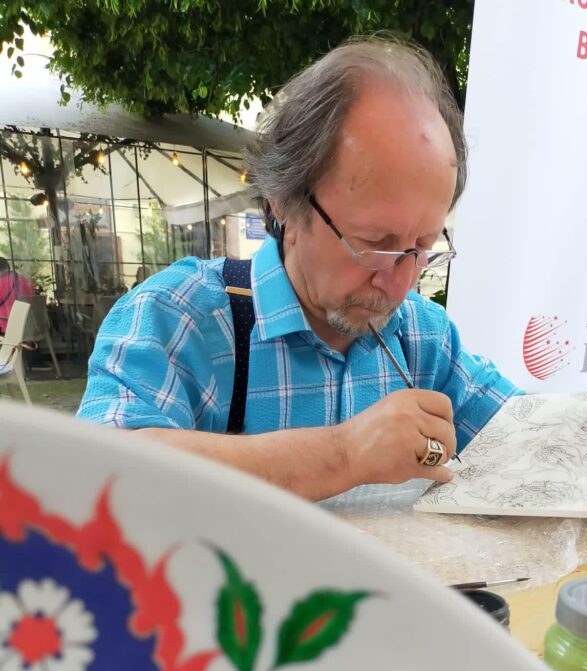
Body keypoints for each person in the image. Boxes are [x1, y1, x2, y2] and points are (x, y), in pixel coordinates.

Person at [77, 37, 523, 500]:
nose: (399, 285)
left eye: (422, 247)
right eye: (374, 243)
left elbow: (531, 437)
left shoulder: (423, 340)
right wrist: (343, 454)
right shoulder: (179, 318)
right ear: (285, 203)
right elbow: (95, 478)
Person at [0, 258, 34, 335]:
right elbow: (32, 299)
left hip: (6, 326)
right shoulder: (24, 280)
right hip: (28, 324)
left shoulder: (1, 282)